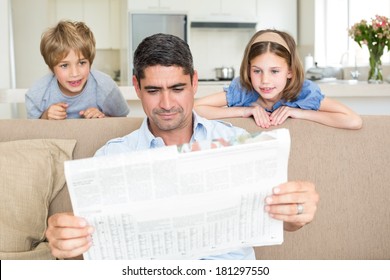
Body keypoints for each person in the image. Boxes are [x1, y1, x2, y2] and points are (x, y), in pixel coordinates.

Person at [45, 33, 319, 260]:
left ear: (195, 83)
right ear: (137, 87)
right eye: (153, 91)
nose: (166, 104)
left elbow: (279, 217)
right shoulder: (111, 157)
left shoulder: (236, 145)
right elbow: (85, 237)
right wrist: (65, 238)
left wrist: (295, 213)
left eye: (177, 88)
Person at [194, 29, 362, 130]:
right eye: (257, 71)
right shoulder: (243, 90)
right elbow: (195, 108)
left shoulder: (304, 93)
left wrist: (300, 113)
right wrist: (245, 111)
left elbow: (354, 120)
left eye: (274, 71)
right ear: (248, 70)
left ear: (289, 71)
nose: (265, 80)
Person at [25, 20, 129, 119]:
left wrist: (102, 118)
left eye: (82, 63)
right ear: (52, 68)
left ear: (90, 62)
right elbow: (34, 131)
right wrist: (45, 116)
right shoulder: (37, 95)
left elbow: (123, 123)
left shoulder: (106, 87)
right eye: (64, 65)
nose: (75, 73)